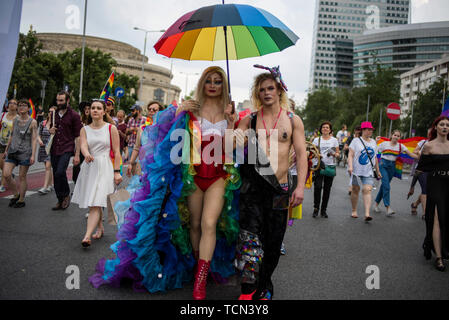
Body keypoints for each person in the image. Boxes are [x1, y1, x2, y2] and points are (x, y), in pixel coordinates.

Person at [89, 66, 240, 299]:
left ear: (223, 86)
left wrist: (231, 125)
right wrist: (180, 110)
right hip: (193, 175)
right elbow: (166, 136)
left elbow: (232, 150)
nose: (212, 85)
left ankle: (200, 279)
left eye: (218, 81)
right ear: (202, 83)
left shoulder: (229, 112)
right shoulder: (193, 108)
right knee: (196, 224)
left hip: (219, 175)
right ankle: (197, 263)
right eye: (208, 80)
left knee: (210, 223)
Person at [234, 65, 307, 300]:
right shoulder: (250, 119)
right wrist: (232, 125)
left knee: (273, 244)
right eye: (262, 89)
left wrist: (300, 188)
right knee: (249, 240)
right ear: (257, 93)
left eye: (270, 88)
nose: (266, 93)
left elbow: (302, 154)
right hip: (253, 188)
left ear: (279, 90)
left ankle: (264, 283)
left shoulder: (293, 120)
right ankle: (249, 289)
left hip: (280, 188)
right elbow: (233, 144)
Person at [71, 99, 122, 247]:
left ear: (104, 111)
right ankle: (99, 227)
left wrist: (117, 172)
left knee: (95, 201)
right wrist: (86, 154)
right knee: (95, 199)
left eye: (99, 108)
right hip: (90, 166)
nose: (95, 110)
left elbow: (117, 151)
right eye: (93, 108)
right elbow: (83, 145)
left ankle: (87, 236)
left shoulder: (111, 128)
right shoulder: (84, 129)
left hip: (105, 166)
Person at [417, 116, 449, 271]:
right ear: (436, 128)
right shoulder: (429, 146)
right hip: (435, 183)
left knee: (445, 219)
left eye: (447, 125)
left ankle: (444, 248)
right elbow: (421, 168)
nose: (445, 127)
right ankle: (439, 257)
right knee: (436, 218)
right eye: (442, 124)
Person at [49, 91, 83, 211]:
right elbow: (48, 126)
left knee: (60, 172)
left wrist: (77, 154)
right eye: (57, 100)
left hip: (67, 148)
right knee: (56, 174)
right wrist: (50, 129)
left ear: (67, 101)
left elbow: (78, 136)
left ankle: (66, 194)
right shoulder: (54, 114)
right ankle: (60, 198)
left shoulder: (74, 115)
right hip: (54, 148)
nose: (59, 103)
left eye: (61, 100)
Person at [2, 99, 38, 208]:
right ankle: (16, 194)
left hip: (25, 152)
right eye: (20, 105)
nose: (21, 107)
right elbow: (12, 135)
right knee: (6, 174)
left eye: (24, 106)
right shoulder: (15, 120)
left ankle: (21, 200)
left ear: (28, 108)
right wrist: (6, 150)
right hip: (13, 150)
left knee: (22, 176)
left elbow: (34, 139)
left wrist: (32, 155)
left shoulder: (32, 122)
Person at [374, 130, 418, 216]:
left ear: (400, 138)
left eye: (398, 136)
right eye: (395, 135)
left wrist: (422, 156)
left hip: (392, 167)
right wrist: (375, 142)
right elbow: (374, 150)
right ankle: (388, 207)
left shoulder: (401, 146)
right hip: (383, 165)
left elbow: (411, 155)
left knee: (384, 186)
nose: (396, 137)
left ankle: (376, 204)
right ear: (391, 135)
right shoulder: (384, 144)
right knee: (387, 186)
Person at [347, 121, 381, 222]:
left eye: (371, 130)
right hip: (356, 171)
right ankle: (354, 210)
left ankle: (367, 213)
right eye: (368, 129)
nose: (370, 131)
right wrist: (350, 166)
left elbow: (375, 158)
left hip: (368, 171)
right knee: (355, 190)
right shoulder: (356, 141)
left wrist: (378, 171)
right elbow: (350, 155)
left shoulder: (374, 142)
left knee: (367, 190)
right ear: (363, 130)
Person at [312, 121, 339, 218]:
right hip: (319, 165)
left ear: (330, 130)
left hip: (330, 166)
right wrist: (316, 154)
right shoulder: (316, 140)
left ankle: (324, 210)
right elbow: (312, 152)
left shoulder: (334, 140)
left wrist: (334, 154)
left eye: (327, 127)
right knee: (318, 187)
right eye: (323, 127)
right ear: (321, 129)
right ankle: (316, 208)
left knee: (327, 189)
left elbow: (338, 154)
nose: (325, 129)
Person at [0, 99, 18, 193]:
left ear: (17, 106)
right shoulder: (2, 115)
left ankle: (2, 185)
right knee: (1, 164)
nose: (11, 105)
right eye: (10, 103)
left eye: (14, 103)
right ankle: (9, 175)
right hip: (1, 142)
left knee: (5, 163)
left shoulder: (18, 118)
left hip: (11, 144)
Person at [73, 101, 91, 185]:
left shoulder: (94, 121)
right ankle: (77, 185)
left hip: (90, 148)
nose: (87, 110)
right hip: (80, 147)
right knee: (76, 168)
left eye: (89, 108)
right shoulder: (80, 120)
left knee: (88, 169)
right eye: (85, 109)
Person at [37, 109, 54, 194]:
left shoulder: (56, 124)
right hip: (43, 147)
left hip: (51, 148)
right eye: (50, 111)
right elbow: (38, 134)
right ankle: (50, 185)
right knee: (47, 167)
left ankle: (45, 187)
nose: (51, 113)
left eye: (53, 112)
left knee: (48, 167)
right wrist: (39, 140)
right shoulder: (43, 123)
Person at [345, 126, 361, 196]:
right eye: (357, 131)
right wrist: (352, 148)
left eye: (359, 131)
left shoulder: (362, 138)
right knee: (351, 173)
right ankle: (352, 186)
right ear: (354, 131)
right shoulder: (351, 137)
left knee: (354, 174)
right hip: (350, 156)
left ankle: (351, 187)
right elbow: (345, 147)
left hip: (358, 159)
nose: (358, 132)